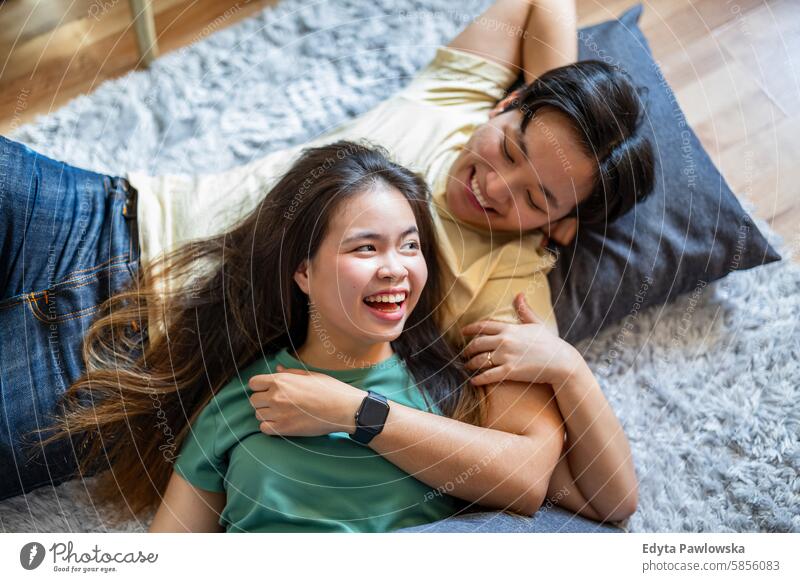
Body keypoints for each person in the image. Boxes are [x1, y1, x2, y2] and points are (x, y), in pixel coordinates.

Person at [0, 0, 648, 522]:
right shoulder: (461, 94)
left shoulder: (511, 285)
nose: (494, 187)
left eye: (535, 196)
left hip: (115, 358)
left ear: (561, 224)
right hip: (103, 211)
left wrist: (566, 368)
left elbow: (530, 470)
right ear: (508, 104)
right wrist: (554, 110)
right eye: (510, 148)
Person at [38, 140, 567, 532]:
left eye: (410, 246)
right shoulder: (243, 400)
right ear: (304, 273)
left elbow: (530, 486)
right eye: (365, 248)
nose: (395, 269)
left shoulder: (446, 390)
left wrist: (355, 411)